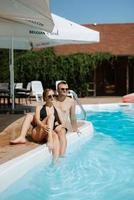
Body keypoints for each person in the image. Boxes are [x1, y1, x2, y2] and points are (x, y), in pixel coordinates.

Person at [10, 89, 66, 162]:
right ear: (45, 98)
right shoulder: (39, 107)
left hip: (47, 132)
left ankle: (56, 161)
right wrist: (43, 126)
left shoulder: (57, 110)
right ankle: (22, 137)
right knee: (49, 117)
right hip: (38, 132)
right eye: (49, 96)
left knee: (55, 136)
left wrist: (60, 126)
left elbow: (63, 123)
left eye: (54, 96)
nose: (52, 98)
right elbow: (37, 120)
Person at [54, 80, 78, 156]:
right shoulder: (53, 100)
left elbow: (72, 116)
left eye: (66, 89)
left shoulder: (71, 101)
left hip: (62, 127)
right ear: (57, 90)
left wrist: (75, 128)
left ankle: (61, 156)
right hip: (52, 125)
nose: (65, 91)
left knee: (61, 132)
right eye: (62, 89)